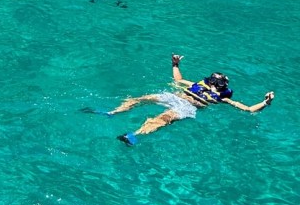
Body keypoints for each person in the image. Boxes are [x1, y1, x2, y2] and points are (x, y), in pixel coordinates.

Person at [103, 54, 275, 146]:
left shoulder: (224, 99)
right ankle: (113, 112)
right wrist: (175, 64)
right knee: (143, 98)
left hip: (186, 108)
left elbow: (248, 109)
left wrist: (265, 103)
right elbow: (178, 80)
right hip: (175, 97)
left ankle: (133, 135)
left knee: (160, 120)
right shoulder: (198, 84)